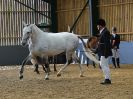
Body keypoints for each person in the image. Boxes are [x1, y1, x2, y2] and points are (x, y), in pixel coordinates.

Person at [97, 18, 112, 85]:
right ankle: (107, 79)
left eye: (97, 25)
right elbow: (100, 43)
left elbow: (107, 43)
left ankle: (107, 79)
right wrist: (96, 51)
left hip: (104, 52)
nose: (97, 27)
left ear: (100, 25)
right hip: (102, 52)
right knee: (104, 65)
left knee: (103, 65)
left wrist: (106, 53)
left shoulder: (106, 32)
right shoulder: (102, 32)